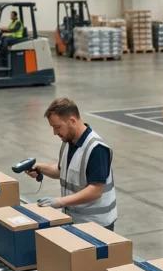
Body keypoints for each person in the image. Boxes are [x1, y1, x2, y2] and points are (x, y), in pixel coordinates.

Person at [28, 98, 117, 230]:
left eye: (57, 127)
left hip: (97, 225)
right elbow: (63, 170)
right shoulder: (68, 142)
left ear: (72, 121)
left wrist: (59, 201)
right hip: (76, 220)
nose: (55, 132)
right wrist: (41, 168)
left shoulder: (96, 148)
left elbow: (95, 190)